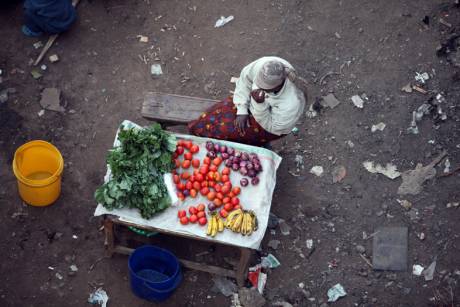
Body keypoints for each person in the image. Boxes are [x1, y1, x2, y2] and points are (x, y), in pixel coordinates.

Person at [188, 56, 307, 146]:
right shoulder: (265, 65)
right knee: (213, 114)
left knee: (225, 130)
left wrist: (259, 105)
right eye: (257, 84)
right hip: (252, 103)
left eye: (264, 88)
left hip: (267, 126)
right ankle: (197, 129)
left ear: (277, 86)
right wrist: (242, 109)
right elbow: (245, 80)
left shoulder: (292, 103)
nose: (257, 88)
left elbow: (273, 127)